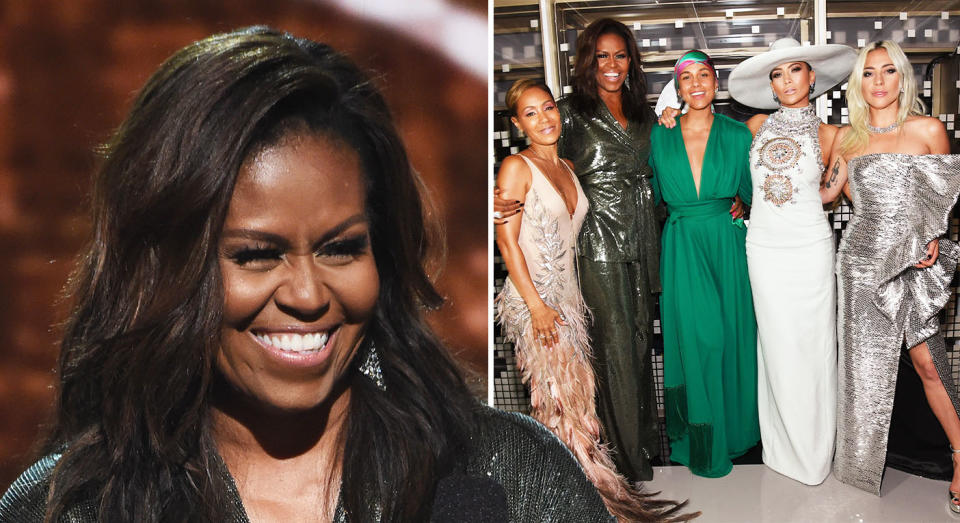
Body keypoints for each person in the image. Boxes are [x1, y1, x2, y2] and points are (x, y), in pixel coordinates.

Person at [0, 27, 617, 522]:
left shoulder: (506, 474)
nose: (306, 294)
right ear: (165, 266)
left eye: (341, 248)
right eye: (255, 255)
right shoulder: (68, 509)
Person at [496, 79, 693, 522]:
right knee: (559, 404)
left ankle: (565, 494)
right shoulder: (515, 167)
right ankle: (575, 501)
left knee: (577, 405)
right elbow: (507, 246)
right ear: (517, 123)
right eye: (531, 113)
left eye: (548, 107)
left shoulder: (567, 165)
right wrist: (537, 307)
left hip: (570, 300)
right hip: (537, 305)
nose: (544, 118)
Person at [819, 40, 960, 506]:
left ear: (902, 78)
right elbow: (823, 195)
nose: (878, 82)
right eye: (868, 73)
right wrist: (771, 134)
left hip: (913, 264)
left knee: (929, 365)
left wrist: (935, 237)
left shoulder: (928, 129)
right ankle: (859, 472)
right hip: (860, 263)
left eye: (888, 71)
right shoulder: (847, 138)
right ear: (858, 82)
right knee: (861, 373)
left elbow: (942, 202)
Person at [527, 16, 662, 482]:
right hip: (598, 244)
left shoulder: (645, 113)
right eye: (601, 55)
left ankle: (642, 445)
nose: (611, 64)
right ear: (588, 60)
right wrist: (506, 192)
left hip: (646, 240)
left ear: (631, 61)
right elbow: (537, 157)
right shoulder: (569, 112)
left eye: (620, 55)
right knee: (615, 348)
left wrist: (734, 199)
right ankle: (626, 463)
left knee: (641, 343)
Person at [726, 37, 856, 485]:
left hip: (809, 249)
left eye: (795, 70)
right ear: (772, 86)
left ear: (812, 76)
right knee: (776, 346)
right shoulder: (756, 125)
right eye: (777, 75)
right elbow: (704, 136)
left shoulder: (833, 134)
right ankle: (780, 447)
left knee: (813, 348)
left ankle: (815, 454)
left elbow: (830, 193)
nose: (787, 81)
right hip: (763, 249)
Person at [649, 50, 759, 478]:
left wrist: (739, 204)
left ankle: (732, 437)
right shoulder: (659, 136)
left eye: (704, 76)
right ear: (677, 88)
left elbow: (755, 194)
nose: (696, 84)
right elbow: (649, 195)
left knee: (731, 337)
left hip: (726, 243)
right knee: (700, 339)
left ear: (717, 83)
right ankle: (700, 441)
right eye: (687, 78)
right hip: (682, 244)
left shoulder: (737, 134)